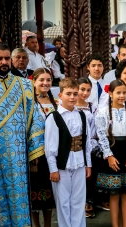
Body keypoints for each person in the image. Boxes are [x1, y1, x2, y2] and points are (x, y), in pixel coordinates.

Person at [0, 42, 45, 226]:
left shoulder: (24, 84)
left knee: (20, 200)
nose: (4, 62)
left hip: (19, 155)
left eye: (7, 58)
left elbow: (35, 118)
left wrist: (34, 150)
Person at [45, 77, 92, 227]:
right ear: (60, 95)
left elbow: (87, 142)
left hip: (79, 162)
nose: (72, 97)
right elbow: (50, 146)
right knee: (63, 202)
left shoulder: (82, 115)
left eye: (75, 93)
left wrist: (88, 164)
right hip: (62, 165)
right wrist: (53, 169)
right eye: (68, 94)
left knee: (78, 200)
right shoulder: (54, 117)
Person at [95, 79, 126, 227]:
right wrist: (108, 155)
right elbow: (102, 135)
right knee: (114, 193)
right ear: (110, 94)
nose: (122, 95)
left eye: (124, 92)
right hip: (112, 153)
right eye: (118, 92)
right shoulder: (102, 113)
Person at [31, 68, 57, 227]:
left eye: (48, 80)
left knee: (49, 192)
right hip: (36, 154)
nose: (45, 83)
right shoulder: (28, 102)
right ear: (34, 81)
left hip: (52, 154)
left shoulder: (56, 102)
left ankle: (48, 225)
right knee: (35, 192)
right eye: (42, 80)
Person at [75, 77, 99, 218]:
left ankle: (89, 201)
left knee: (88, 175)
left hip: (89, 145)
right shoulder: (69, 106)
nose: (85, 93)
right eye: (82, 89)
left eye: (88, 90)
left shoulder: (92, 107)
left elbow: (94, 128)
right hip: (74, 146)